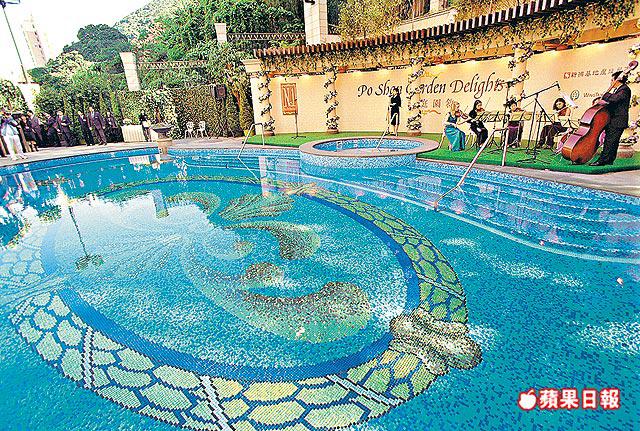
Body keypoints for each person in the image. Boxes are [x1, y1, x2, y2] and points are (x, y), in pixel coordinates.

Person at [590, 71, 631, 166]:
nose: (611, 82)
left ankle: (602, 160)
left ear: (617, 80)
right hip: (613, 120)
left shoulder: (624, 89)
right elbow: (614, 102)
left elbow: (615, 99)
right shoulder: (618, 90)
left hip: (618, 120)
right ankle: (609, 160)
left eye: (612, 80)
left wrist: (605, 94)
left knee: (610, 141)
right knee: (611, 141)